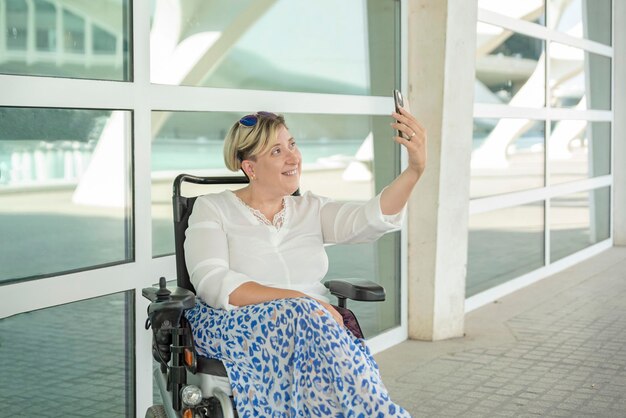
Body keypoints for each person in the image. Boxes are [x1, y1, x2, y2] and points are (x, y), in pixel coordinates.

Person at [184, 107, 426, 417]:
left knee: (315, 341)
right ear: (250, 167)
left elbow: (369, 219)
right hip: (238, 326)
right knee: (307, 316)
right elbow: (212, 282)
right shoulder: (213, 208)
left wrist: (414, 170)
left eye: (292, 144)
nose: (292, 157)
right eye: (276, 150)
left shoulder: (310, 208)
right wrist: (303, 302)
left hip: (313, 328)